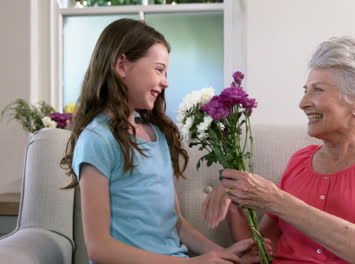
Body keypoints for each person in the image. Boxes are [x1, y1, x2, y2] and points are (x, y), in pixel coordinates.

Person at [203, 36, 355, 264]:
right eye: (305, 90)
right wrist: (234, 198)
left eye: (317, 90)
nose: (303, 103)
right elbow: (261, 252)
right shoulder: (300, 161)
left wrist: (276, 199)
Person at [60, 18, 258, 264]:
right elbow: (99, 248)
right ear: (122, 65)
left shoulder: (157, 134)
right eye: (159, 69)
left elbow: (176, 224)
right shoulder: (97, 140)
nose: (166, 81)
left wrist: (221, 253)